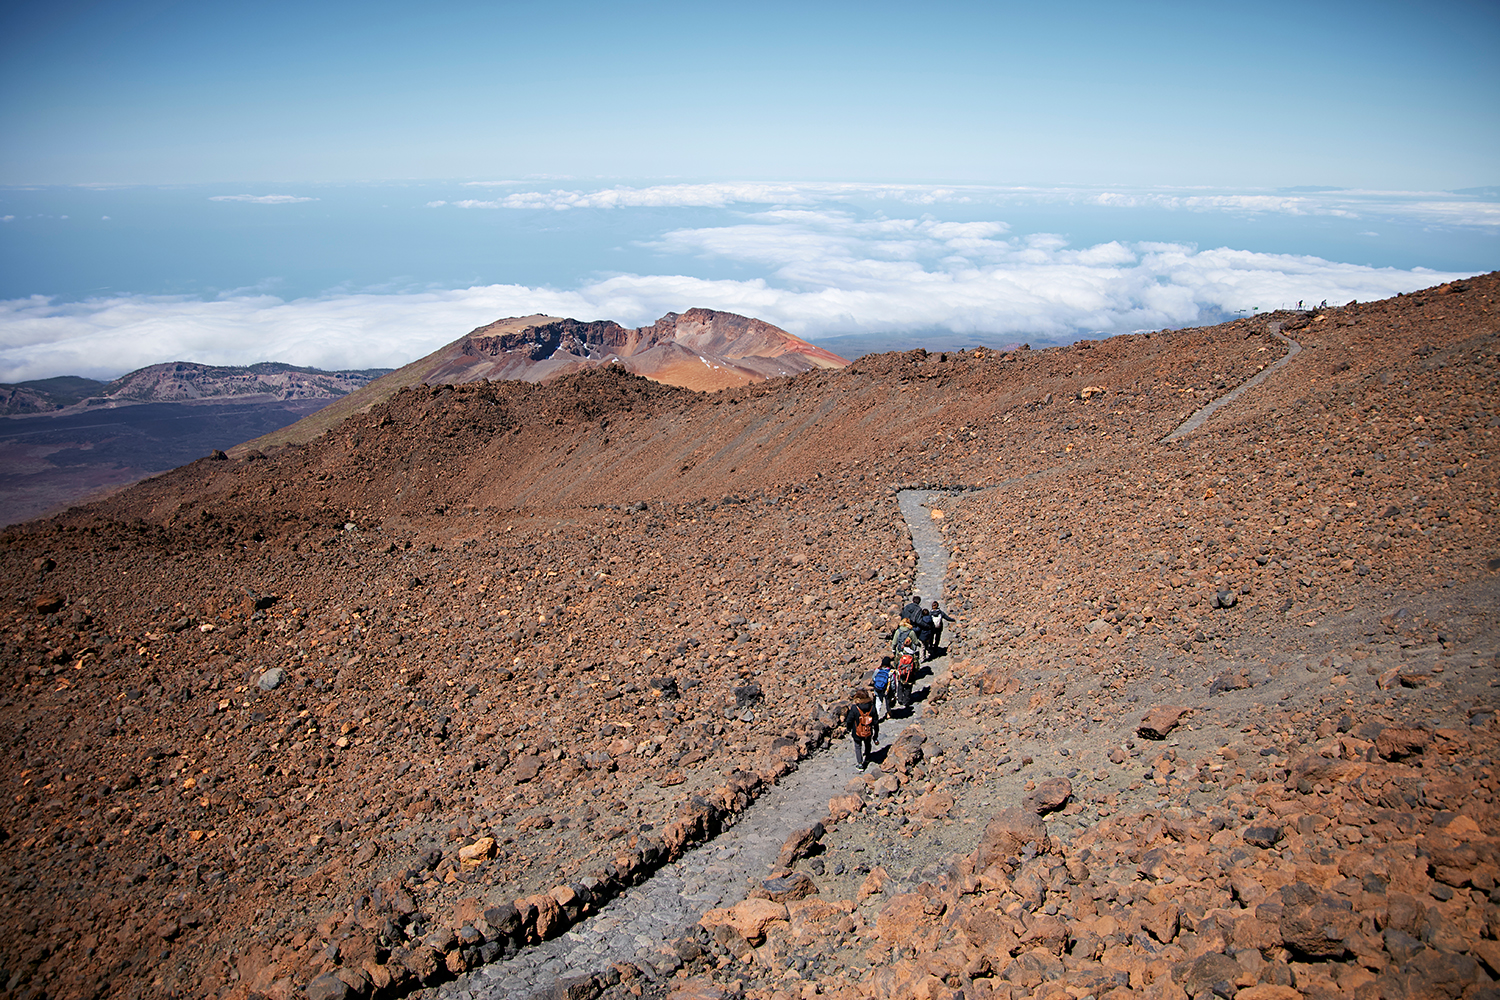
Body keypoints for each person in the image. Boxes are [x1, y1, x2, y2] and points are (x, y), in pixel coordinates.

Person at [844, 687, 879, 770]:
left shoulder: (854, 708)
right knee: (867, 744)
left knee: (858, 746)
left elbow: (849, 720)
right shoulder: (872, 707)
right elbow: (876, 722)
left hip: (857, 732)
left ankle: (860, 764)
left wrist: (848, 728)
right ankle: (867, 757)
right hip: (868, 731)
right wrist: (876, 734)